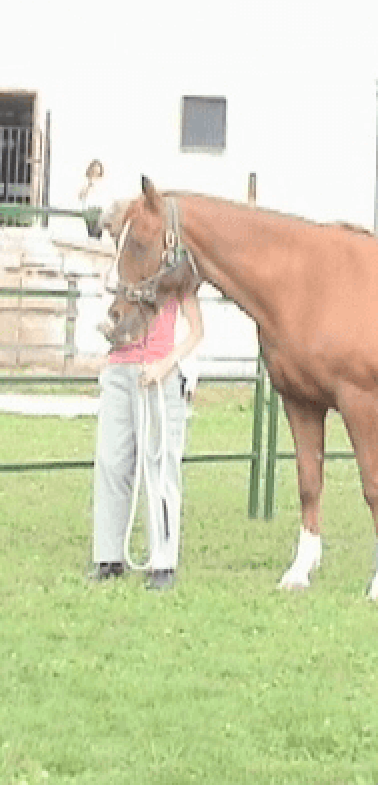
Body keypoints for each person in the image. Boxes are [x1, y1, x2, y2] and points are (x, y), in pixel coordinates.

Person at [90, 289, 204, 590]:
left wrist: (168, 363)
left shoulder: (178, 274)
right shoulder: (121, 275)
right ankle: (109, 556)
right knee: (111, 461)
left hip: (160, 373)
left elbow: (196, 331)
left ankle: (162, 561)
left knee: (161, 466)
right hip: (120, 370)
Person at [78, 159, 109, 239]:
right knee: (91, 232)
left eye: (97, 170)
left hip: (99, 210)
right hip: (89, 209)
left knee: (97, 233)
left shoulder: (102, 182)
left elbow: (104, 196)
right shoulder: (86, 181)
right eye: (94, 170)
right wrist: (88, 186)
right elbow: (80, 196)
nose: (96, 172)